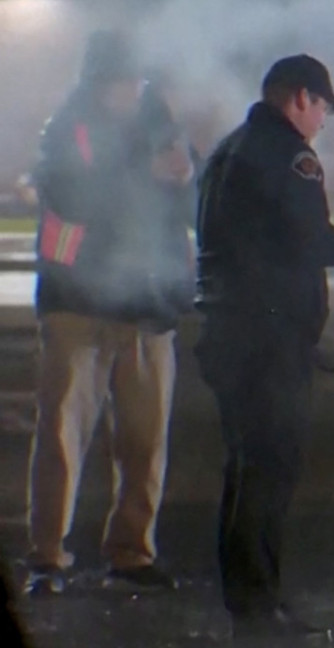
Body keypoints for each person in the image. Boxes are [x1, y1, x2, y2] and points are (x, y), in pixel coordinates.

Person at [194, 53, 334, 639]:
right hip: (268, 341)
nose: (324, 119)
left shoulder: (229, 150)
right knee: (271, 469)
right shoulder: (291, 156)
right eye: (323, 105)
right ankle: (259, 606)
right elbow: (304, 241)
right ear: (300, 97)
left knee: (246, 468)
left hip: (229, 331)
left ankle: (245, 599)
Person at [25, 29, 192, 596]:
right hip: (79, 305)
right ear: (99, 81)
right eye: (124, 80)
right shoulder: (67, 127)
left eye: (138, 80)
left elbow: (181, 190)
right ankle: (48, 555)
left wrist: (183, 173)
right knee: (63, 436)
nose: (132, 90)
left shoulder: (158, 120)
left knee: (146, 442)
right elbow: (75, 193)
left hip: (146, 305)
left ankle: (132, 552)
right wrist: (146, 176)